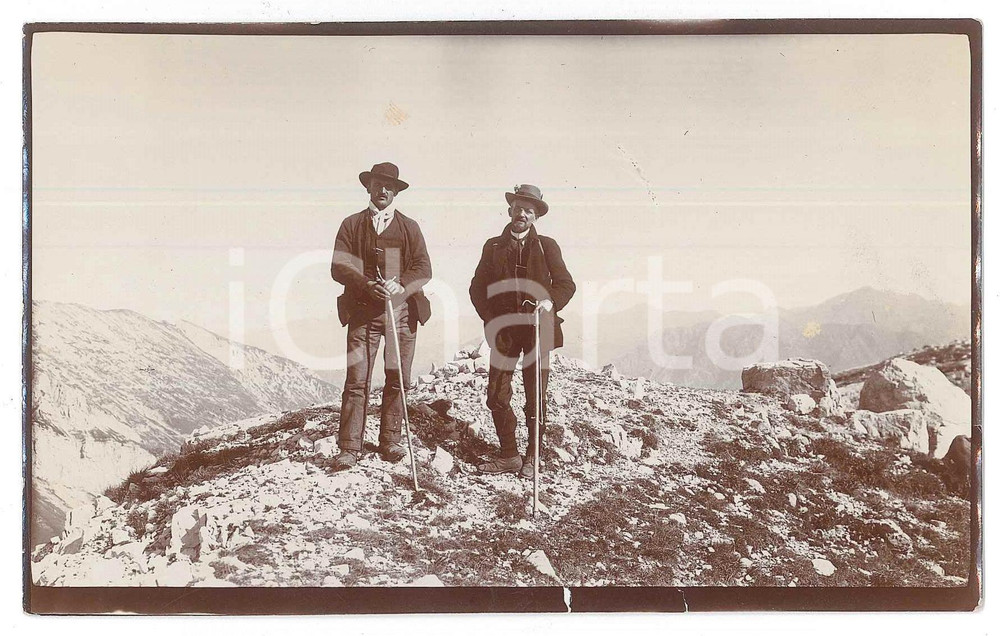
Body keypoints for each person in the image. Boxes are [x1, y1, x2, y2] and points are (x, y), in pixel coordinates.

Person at [330, 162, 432, 471]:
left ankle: (391, 441)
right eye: (377, 184)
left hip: (402, 314)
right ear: (369, 187)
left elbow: (423, 268)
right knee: (357, 380)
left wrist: (401, 284)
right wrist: (366, 284)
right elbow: (339, 266)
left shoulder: (409, 227)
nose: (383, 190)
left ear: (396, 191)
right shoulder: (352, 225)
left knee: (397, 378)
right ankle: (350, 447)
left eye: (389, 186)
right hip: (363, 313)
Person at [469, 184, 576, 478]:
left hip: (537, 331)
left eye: (529, 210)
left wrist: (549, 301)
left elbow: (566, 284)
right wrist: (490, 318)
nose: (522, 215)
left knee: (535, 396)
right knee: (496, 394)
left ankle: (532, 456)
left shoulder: (547, 247)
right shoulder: (493, 246)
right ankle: (509, 455)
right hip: (504, 332)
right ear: (509, 211)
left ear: (536, 216)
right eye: (518, 209)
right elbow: (477, 288)